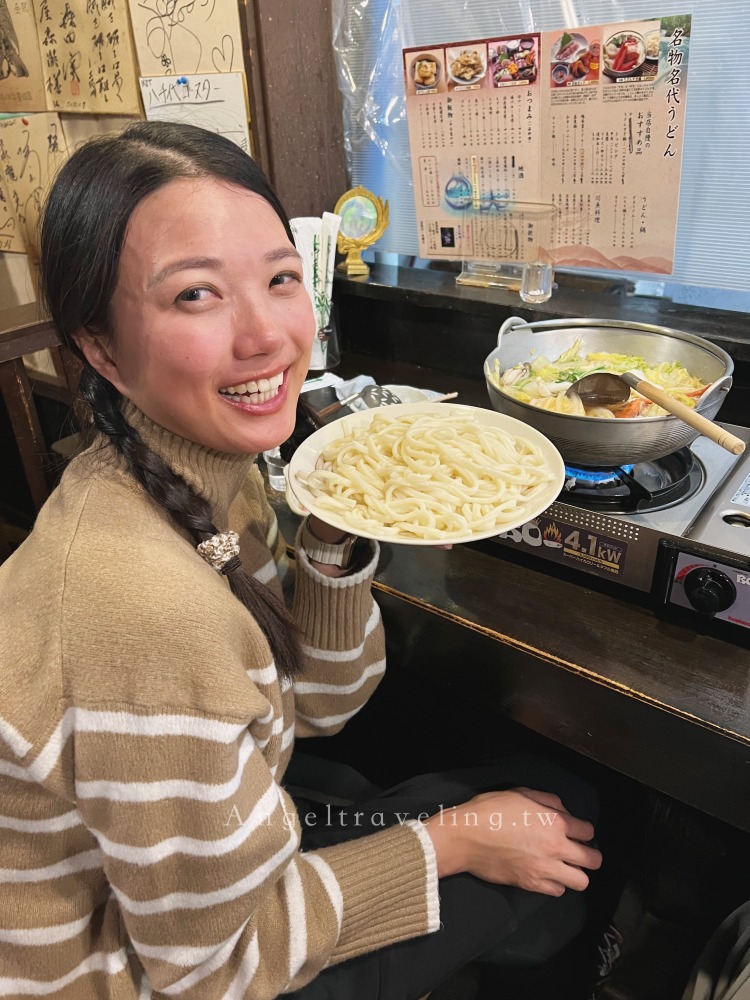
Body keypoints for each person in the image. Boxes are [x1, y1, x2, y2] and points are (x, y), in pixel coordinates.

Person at [0, 121, 602, 999]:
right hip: (122, 971)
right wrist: (453, 843)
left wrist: (333, 525)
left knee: (546, 801)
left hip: (218, 874)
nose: (268, 337)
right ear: (99, 348)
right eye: (197, 296)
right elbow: (212, 970)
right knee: (555, 854)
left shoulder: (189, 467)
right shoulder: (141, 606)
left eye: (281, 279)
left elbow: (318, 703)